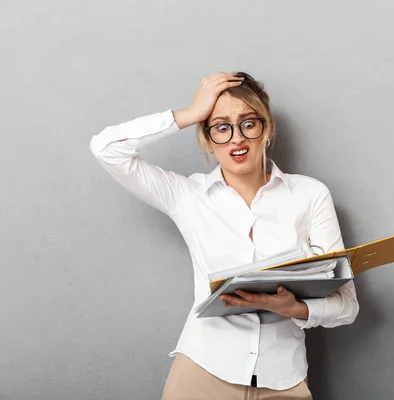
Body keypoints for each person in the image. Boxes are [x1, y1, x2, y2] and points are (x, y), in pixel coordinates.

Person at [89, 72, 359, 399]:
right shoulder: (187, 195)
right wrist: (190, 114)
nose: (236, 138)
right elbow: (105, 149)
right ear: (207, 137)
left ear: (267, 128)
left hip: (283, 380)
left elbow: (346, 305)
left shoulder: (310, 195)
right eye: (221, 126)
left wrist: (296, 308)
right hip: (203, 372)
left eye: (248, 123)